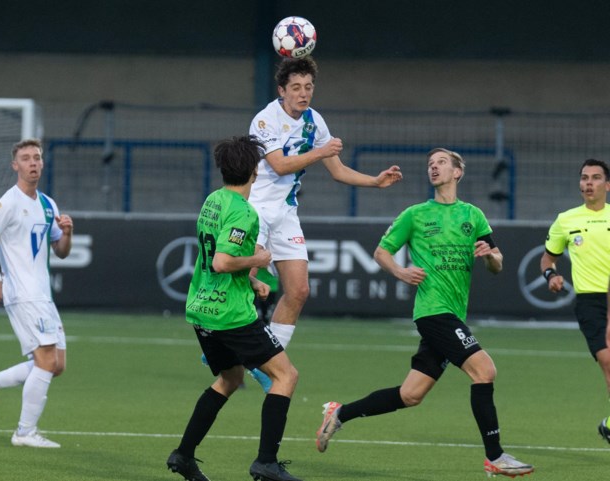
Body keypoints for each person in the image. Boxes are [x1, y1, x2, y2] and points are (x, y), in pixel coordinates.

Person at [315, 148, 534, 478]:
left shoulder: (473, 216)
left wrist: (489, 256)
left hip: (454, 313)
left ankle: (341, 413)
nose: (434, 167)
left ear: (457, 172)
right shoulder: (415, 214)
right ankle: (495, 456)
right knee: (484, 371)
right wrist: (401, 273)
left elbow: (498, 263)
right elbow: (380, 252)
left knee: (411, 395)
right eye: (430, 164)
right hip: (433, 312)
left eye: (441, 162)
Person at [247, 56, 402, 377]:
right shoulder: (265, 120)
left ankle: (264, 363)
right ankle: (224, 347)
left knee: (299, 291)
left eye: (308, 87)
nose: (303, 93)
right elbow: (278, 165)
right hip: (256, 210)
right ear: (282, 90)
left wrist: (375, 181)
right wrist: (322, 150)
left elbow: (338, 169)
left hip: (286, 213)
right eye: (296, 88)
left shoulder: (315, 121)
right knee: (245, 283)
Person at [167, 135, 302, 481]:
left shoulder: (213, 199)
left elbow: (213, 257)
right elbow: (223, 261)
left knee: (230, 378)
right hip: (231, 314)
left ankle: (183, 455)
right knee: (285, 376)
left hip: (202, 308)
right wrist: (259, 258)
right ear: (255, 170)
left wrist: (252, 280)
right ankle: (266, 463)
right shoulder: (244, 212)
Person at [0, 138, 74, 448]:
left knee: (57, 365)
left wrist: (67, 233)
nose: (32, 163)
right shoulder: (7, 203)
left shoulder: (47, 203)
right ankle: (25, 433)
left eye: (37, 158)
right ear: (15, 165)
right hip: (24, 294)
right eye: (25, 158)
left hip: (42, 295)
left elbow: (62, 251)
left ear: (42, 163)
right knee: (45, 361)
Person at [540, 158, 610, 443]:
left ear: (607, 184)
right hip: (590, 302)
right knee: (607, 359)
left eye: (595, 177)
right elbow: (548, 258)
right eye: (584, 178)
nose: (588, 183)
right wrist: (550, 275)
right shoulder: (566, 220)